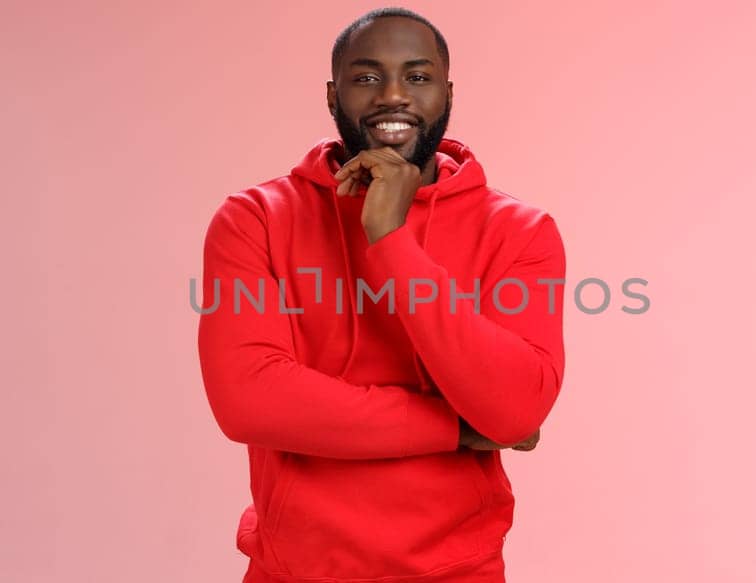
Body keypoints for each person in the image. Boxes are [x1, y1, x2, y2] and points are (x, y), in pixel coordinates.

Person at [197, 7, 566, 582]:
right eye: (367, 77)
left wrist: (390, 239)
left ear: (447, 91)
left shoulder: (519, 231)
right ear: (332, 94)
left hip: (457, 572)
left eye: (417, 77)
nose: (393, 95)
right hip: (294, 571)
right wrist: (453, 428)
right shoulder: (255, 219)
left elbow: (514, 409)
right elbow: (250, 398)